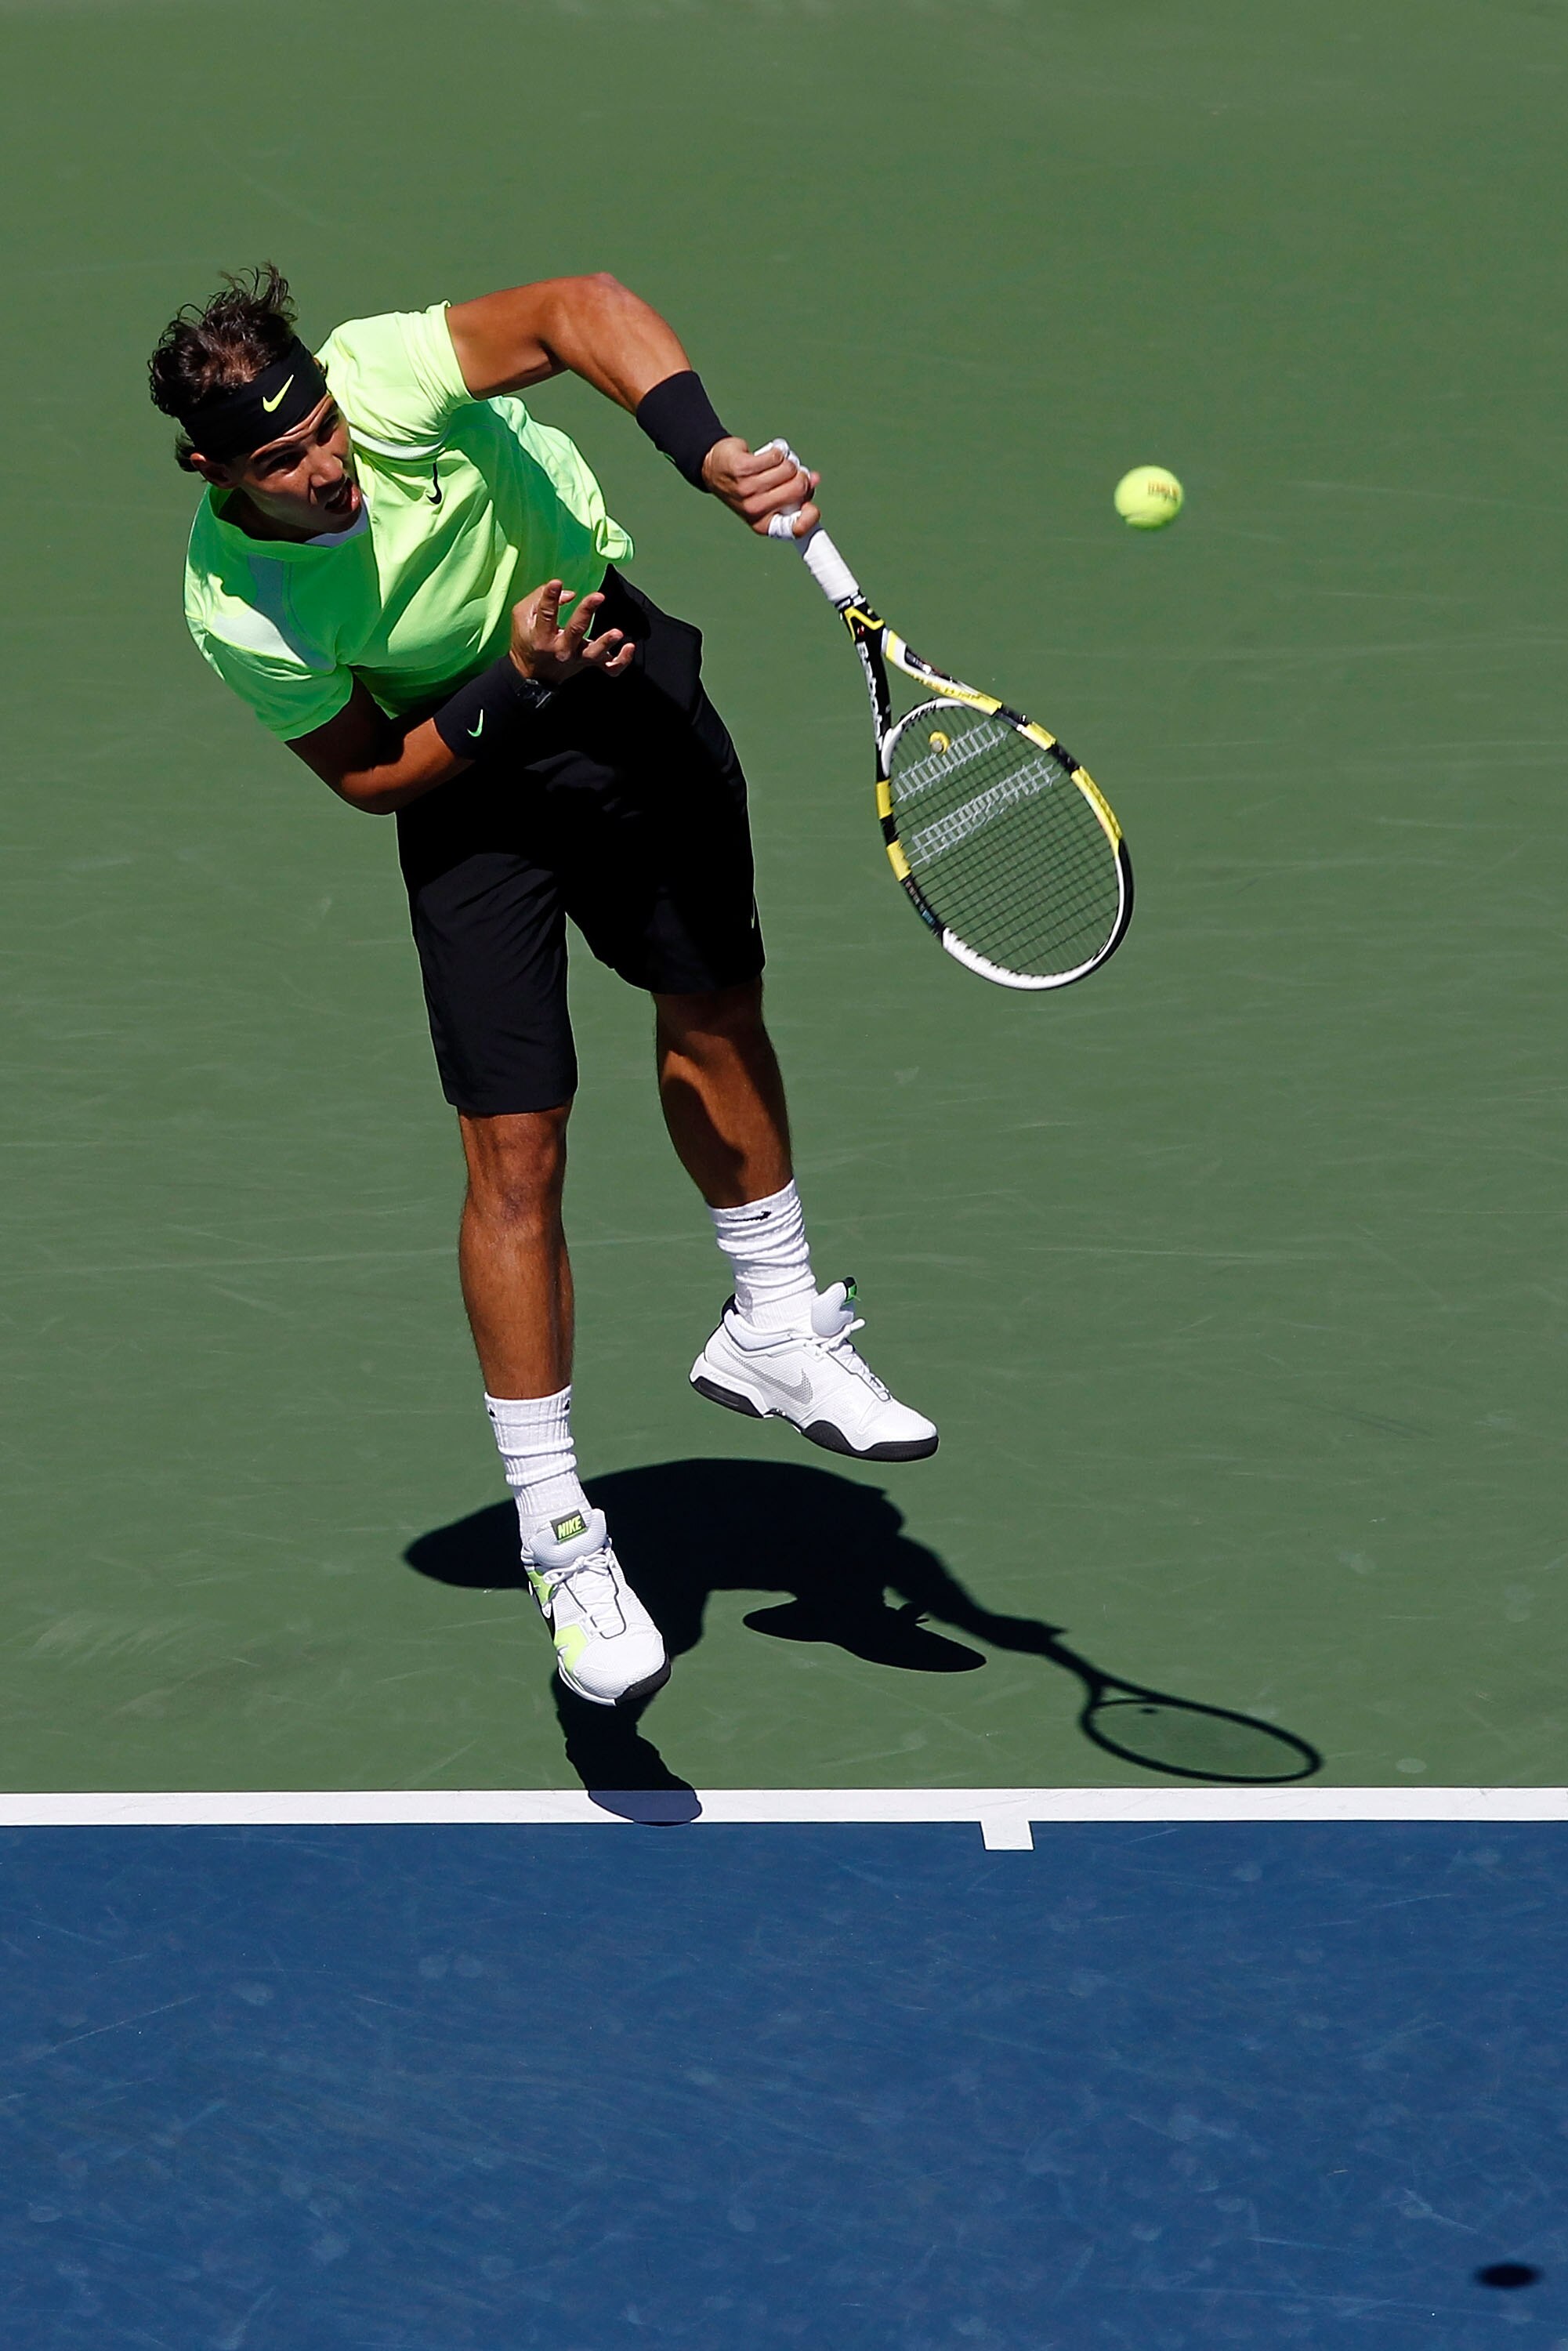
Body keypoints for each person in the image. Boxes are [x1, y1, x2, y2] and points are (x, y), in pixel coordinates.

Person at [148, 265, 937, 1710]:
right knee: (516, 1148)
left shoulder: (389, 374)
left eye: (321, 428)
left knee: (714, 1005)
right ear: (211, 473)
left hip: (622, 681)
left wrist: (701, 449)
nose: (327, 467)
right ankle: (561, 1534)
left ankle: (773, 1326)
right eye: (281, 461)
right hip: (464, 767)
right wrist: (510, 681)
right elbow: (375, 777)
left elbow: (582, 306)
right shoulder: (236, 601)